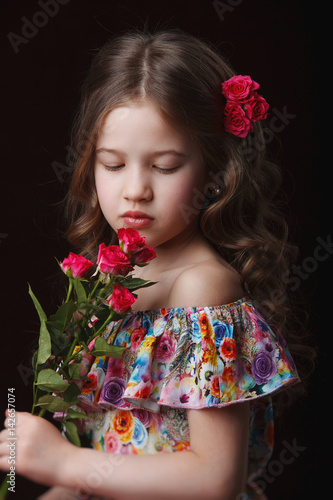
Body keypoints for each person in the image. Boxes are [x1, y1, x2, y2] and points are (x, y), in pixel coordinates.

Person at [0, 29, 312, 499]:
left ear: (214, 172)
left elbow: (215, 480)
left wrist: (63, 462)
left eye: (164, 166)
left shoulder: (202, 288)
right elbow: (113, 447)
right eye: (112, 163)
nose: (135, 190)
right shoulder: (115, 278)